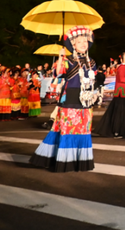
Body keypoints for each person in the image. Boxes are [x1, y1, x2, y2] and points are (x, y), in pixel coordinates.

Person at [31, 26, 99, 172]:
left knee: (83, 130)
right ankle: (64, 160)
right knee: (68, 129)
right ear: (73, 45)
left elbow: (95, 80)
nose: (83, 44)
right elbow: (57, 73)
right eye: (79, 41)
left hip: (86, 101)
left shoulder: (92, 62)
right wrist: (61, 58)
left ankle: (80, 161)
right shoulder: (68, 60)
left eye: (85, 41)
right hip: (70, 99)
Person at [95, 52, 125, 138]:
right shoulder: (122, 67)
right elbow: (122, 78)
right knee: (120, 113)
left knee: (120, 113)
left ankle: (121, 131)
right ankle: (118, 131)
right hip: (123, 93)